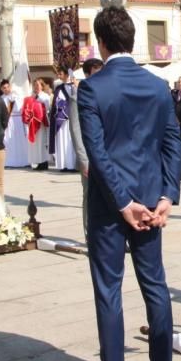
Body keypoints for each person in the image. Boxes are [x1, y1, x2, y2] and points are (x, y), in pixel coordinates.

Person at [74, 6, 181, 361]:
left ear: (101, 43)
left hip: (109, 206)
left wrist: (122, 203)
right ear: (132, 40)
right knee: (155, 284)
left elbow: (97, 155)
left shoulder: (92, 87)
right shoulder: (157, 86)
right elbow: (173, 142)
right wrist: (166, 196)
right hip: (153, 202)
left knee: (109, 288)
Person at [69, 59, 104, 239]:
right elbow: (76, 129)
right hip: (89, 158)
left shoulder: (106, 93)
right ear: (88, 75)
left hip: (108, 156)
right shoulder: (77, 96)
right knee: (90, 197)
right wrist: (83, 160)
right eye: (96, 72)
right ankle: (91, 235)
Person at [49, 69, 77, 171]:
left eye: (60, 74)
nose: (59, 76)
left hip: (71, 119)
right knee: (62, 142)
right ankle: (64, 164)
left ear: (66, 74)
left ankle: (73, 165)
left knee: (71, 142)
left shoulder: (74, 86)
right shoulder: (58, 88)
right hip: (61, 121)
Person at [1, 79, 30, 168]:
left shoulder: (16, 95)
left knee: (20, 140)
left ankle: (24, 161)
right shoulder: (1, 98)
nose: (6, 89)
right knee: (8, 141)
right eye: (4, 88)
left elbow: (20, 107)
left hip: (17, 120)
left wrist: (14, 100)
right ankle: (9, 161)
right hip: (8, 121)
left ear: (10, 87)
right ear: (1, 89)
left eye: (7, 87)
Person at [23, 78, 51, 170]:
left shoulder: (45, 96)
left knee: (42, 142)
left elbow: (47, 108)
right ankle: (39, 161)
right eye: (35, 85)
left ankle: (44, 162)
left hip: (41, 122)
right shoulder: (31, 96)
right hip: (33, 123)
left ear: (42, 86)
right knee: (36, 143)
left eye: (38, 85)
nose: (36, 87)